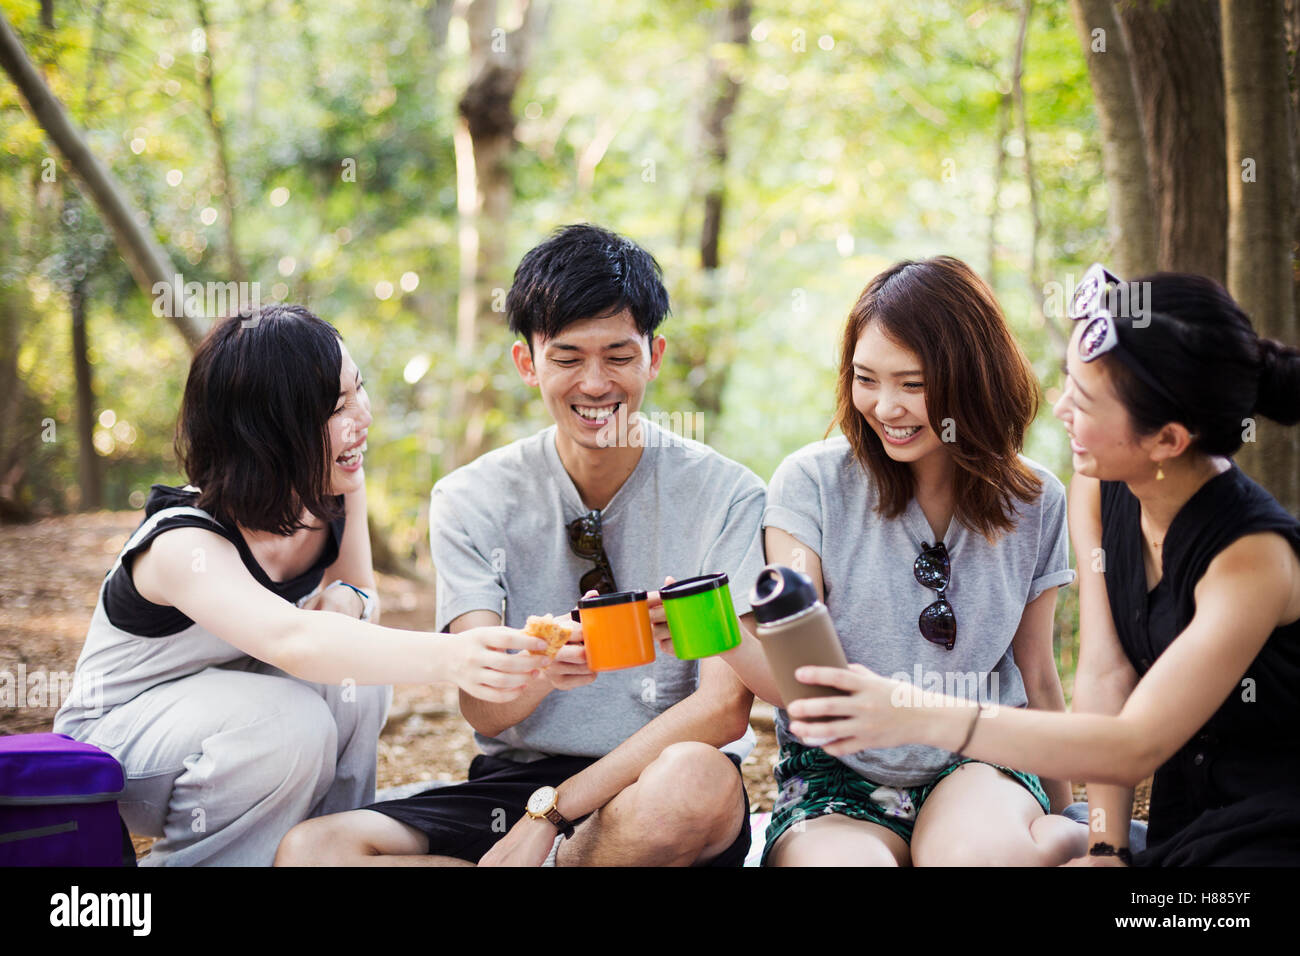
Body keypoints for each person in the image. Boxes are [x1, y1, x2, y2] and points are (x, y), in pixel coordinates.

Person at [275, 224, 766, 867]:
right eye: (567, 358)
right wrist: (537, 670)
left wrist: (555, 813)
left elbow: (724, 709)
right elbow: (484, 708)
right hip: (515, 785)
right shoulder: (471, 497)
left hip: (659, 784)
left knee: (695, 782)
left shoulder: (727, 494)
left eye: (619, 356)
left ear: (655, 356)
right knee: (316, 850)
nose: (595, 384)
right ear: (527, 363)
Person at [788, 266, 1300, 866]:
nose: (1059, 410)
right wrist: (1106, 847)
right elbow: (1107, 679)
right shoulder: (1101, 488)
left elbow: (1133, 745)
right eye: (1067, 385)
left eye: (1083, 401)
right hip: (1182, 830)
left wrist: (914, 711)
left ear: (1167, 440)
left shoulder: (1254, 558)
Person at [53, 305, 547, 866]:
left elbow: (360, 594)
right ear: (269, 429)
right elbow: (292, 640)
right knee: (288, 716)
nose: (362, 415)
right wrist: (454, 655)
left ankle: (324, 849)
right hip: (121, 750)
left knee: (357, 680)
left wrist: (342, 602)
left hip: (238, 722)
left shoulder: (335, 491)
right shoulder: (182, 543)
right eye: (337, 407)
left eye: (358, 389)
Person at [719, 256, 1088, 866]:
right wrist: (712, 627)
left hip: (977, 751)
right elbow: (799, 673)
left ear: (974, 378)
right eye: (866, 379)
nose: (885, 406)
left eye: (912, 385)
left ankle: (1052, 837)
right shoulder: (811, 481)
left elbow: (1039, 677)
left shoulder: (1035, 500)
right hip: (839, 772)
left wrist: (1076, 816)